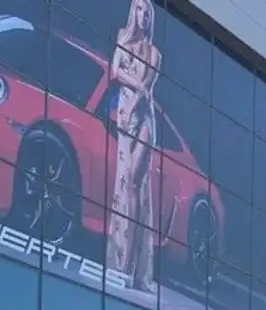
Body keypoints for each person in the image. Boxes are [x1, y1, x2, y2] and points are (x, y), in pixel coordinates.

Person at [106, 0, 161, 294]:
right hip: (125, 115)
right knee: (124, 183)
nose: (144, 15)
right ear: (133, 12)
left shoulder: (155, 54)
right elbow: (114, 72)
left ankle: (130, 266)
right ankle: (120, 262)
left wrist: (135, 98)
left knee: (135, 185)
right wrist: (136, 87)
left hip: (143, 119)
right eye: (140, 9)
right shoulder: (122, 38)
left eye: (148, 12)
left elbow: (146, 87)